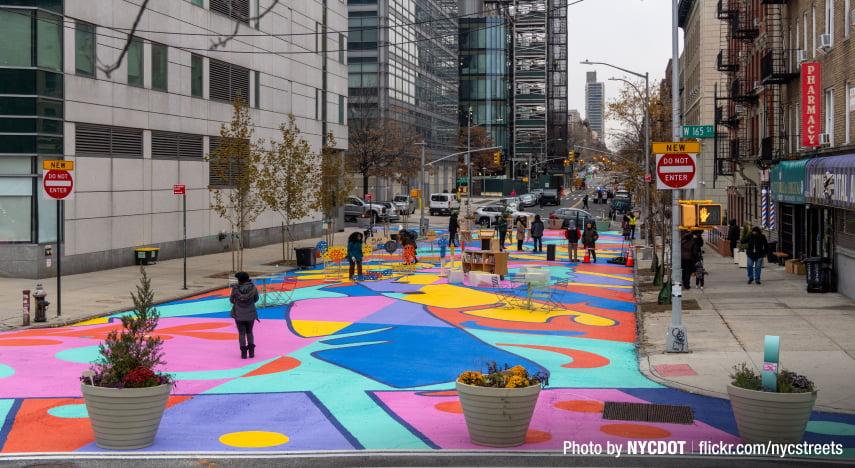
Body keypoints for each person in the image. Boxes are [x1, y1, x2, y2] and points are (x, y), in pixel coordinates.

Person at [230, 271, 260, 359]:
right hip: (250, 313)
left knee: (241, 333)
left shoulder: (235, 289)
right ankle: (251, 352)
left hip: (239, 314)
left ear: (239, 280)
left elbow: (231, 300)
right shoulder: (253, 288)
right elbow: (256, 299)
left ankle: (243, 353)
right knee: (250, 332)